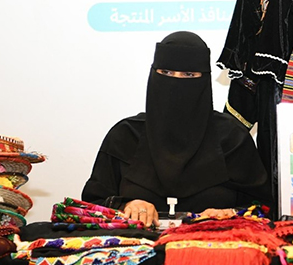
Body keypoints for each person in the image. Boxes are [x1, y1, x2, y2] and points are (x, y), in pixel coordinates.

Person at [82, 31, 271, 227]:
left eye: (189, 75)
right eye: (166, 73)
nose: (176, 82)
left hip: (214, 243)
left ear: (204, 80)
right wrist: (126, 205)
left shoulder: (232, 138)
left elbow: (264, 208)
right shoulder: (125, 136)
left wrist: (231, 214)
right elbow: (91, 205)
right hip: (136, 245)